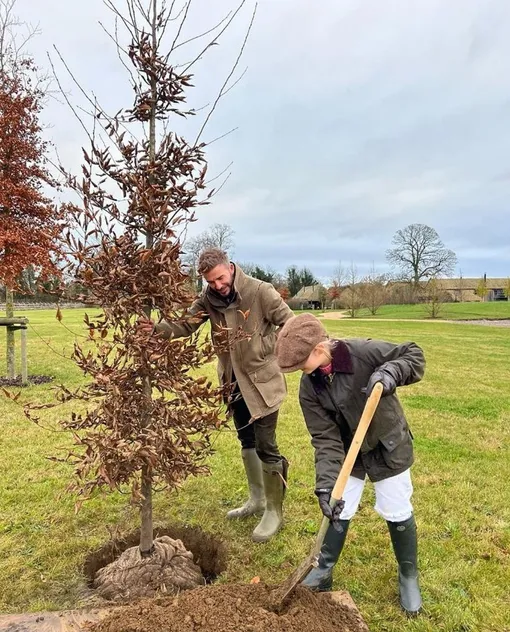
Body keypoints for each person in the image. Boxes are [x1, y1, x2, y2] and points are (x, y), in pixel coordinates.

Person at [275, 313, 425, 615]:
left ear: (318, 349)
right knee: (339, 503)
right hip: (349, 454)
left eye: (300, 364)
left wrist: (391, 373)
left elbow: (414, 355)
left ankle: (408, 575)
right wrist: (326, 484)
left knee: (396, 506)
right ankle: (324, 568)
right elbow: (325, 438)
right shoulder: (310, 387)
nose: (298, 372)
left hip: (387, 444)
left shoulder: (362, 352)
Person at [139, 247, 293, 542]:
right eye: (211, 282)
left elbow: (291, 324)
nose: (218, 286)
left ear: (230, 268)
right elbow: (185, 324)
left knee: (266, 445)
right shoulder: (208, 300)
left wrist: (263, 345)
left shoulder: (261, 292)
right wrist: (155, 329)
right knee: (246, 440)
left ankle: (274, 511)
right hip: (233, 383)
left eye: (221, 279)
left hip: (263, 383)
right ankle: (257, 500)